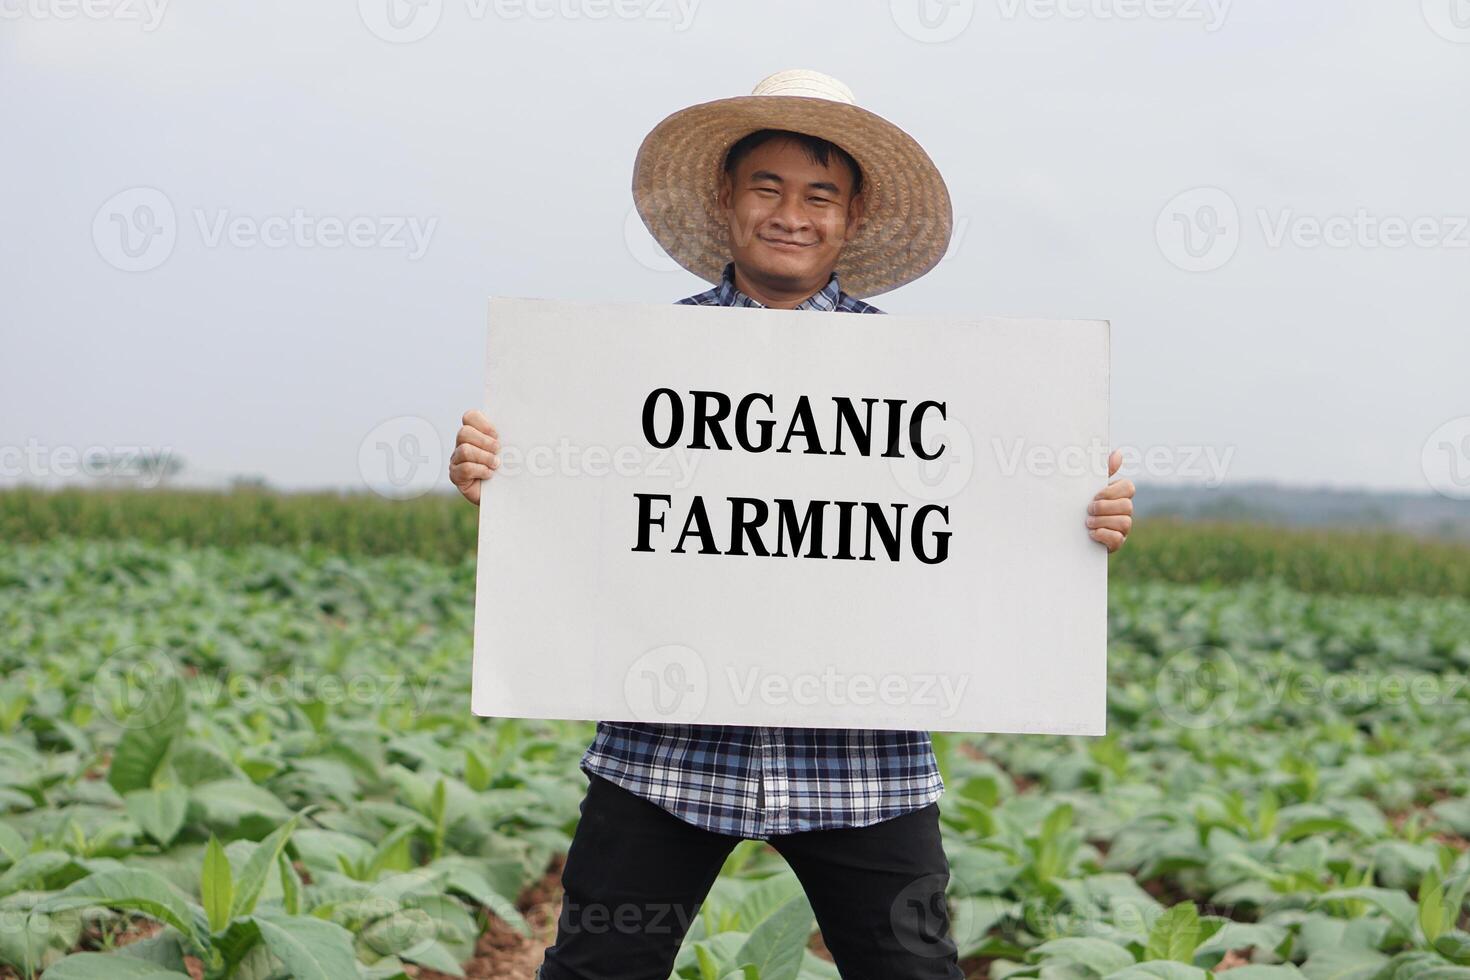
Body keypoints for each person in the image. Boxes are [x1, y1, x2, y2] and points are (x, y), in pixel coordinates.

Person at [448, 69, 1135, 980]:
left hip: (864, 761)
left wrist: (1077, 515)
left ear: (851, 220)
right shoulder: (625, 369)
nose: (791, 213)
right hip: (664, 753)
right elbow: (584, 516)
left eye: (821, 194)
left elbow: (991, 526)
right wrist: (505, 477)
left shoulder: (925, 377)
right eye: (766, 187)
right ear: (727, 202)